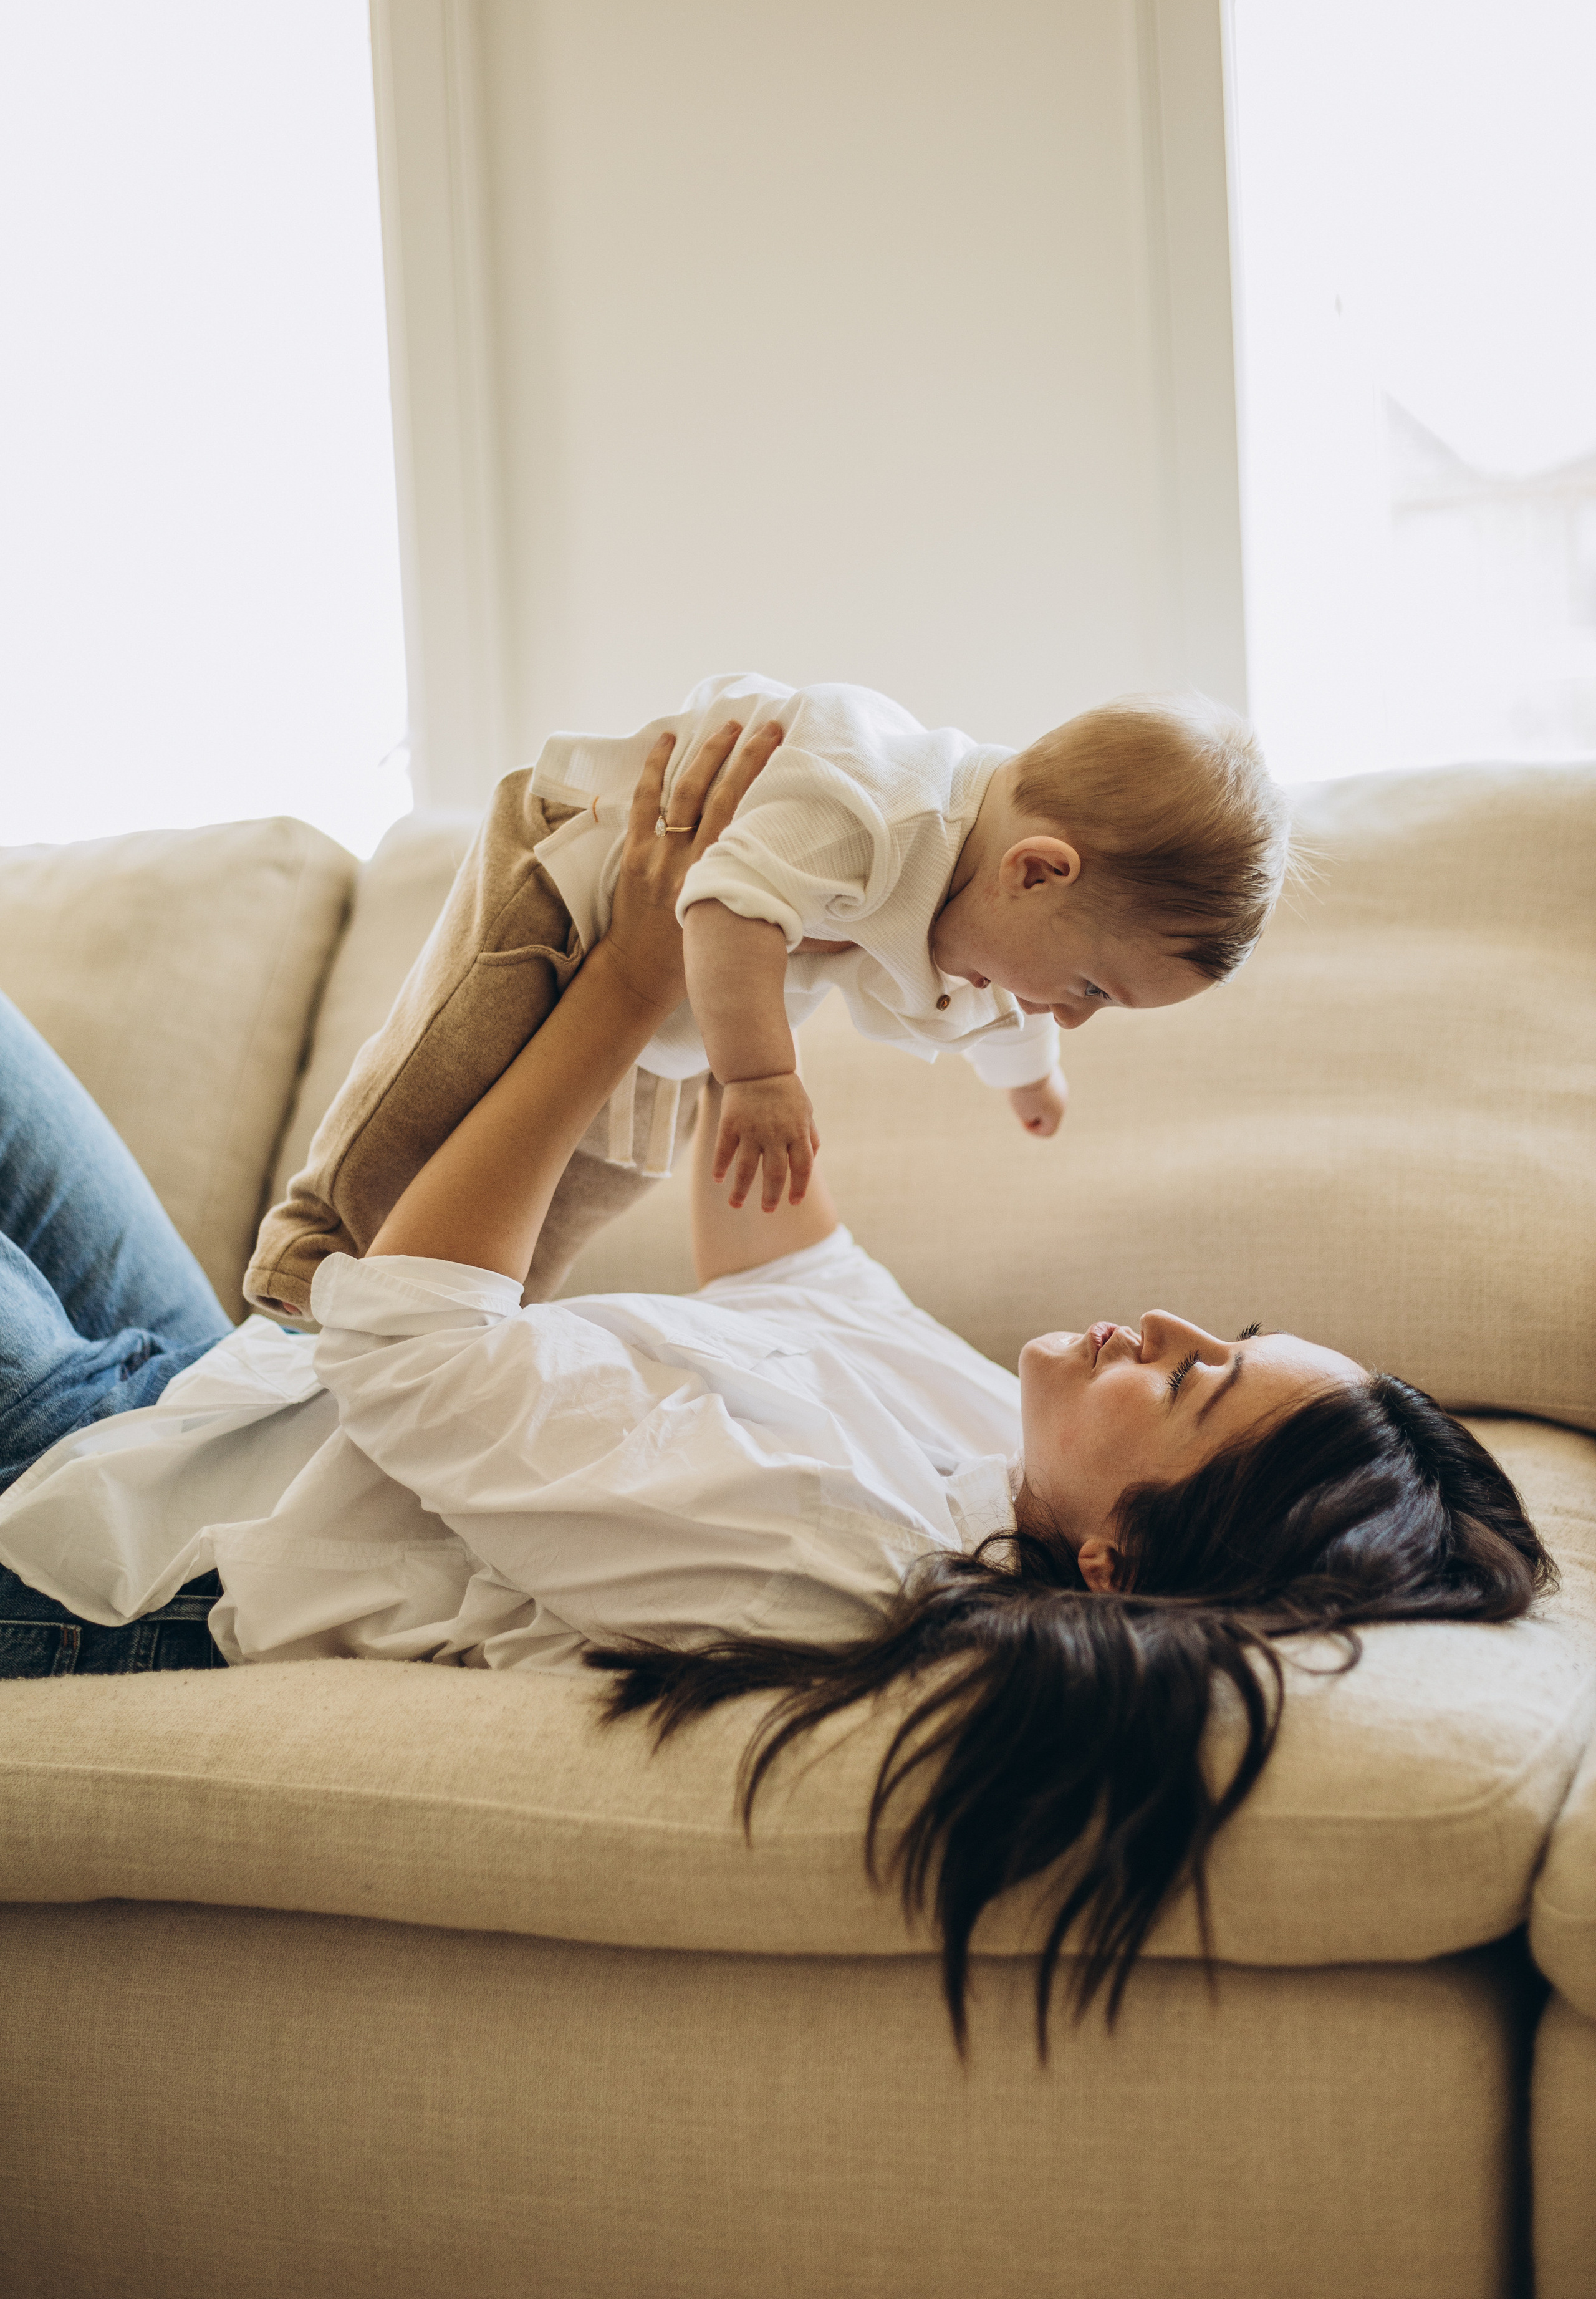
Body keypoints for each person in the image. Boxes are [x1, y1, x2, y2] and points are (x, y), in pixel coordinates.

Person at [0, 726, 1547, 2034]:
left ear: (1116, 1560)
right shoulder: (982, 1446)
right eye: (1224, 1331)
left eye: (1193, 1388)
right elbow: (784, 1265)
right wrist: (776, 951)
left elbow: (408, 1347)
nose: (1159, 1327)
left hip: (101, 1541)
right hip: (217, 1399)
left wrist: (619, 991)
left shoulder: (826, 1560)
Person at [243, 673, 1289, 1319]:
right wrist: (761, 1077)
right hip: (572, 877)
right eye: (1092, 989)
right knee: (449, 1067)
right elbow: (727, 908)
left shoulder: (998, 917)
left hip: (677, 1001)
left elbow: (1008, 1006)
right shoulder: (870, 799)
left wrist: (1030, 1079)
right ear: (1035, 870)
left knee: (610, 1172)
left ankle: (475, 1318)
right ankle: (315, 1253)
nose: (1070, 1014)